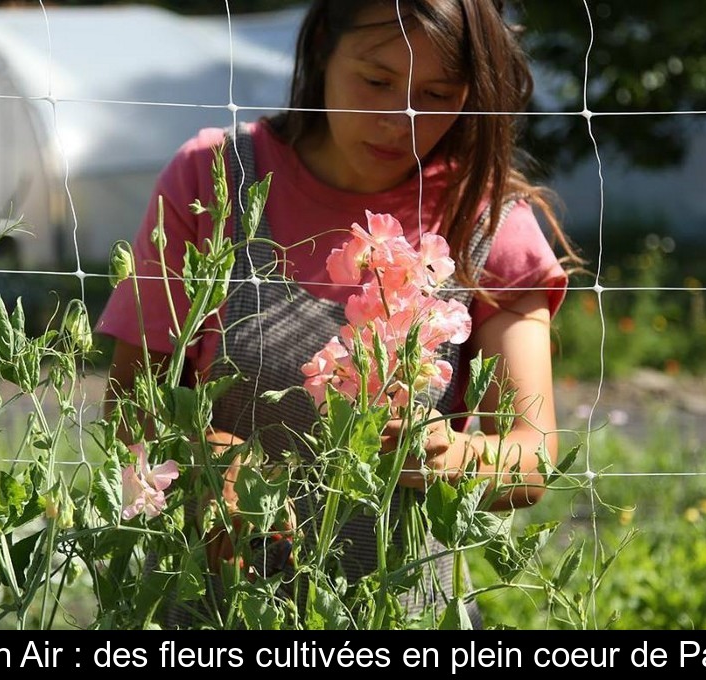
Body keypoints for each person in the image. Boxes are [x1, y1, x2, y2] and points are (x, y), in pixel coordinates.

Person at [96, 0, 581, 628]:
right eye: (376, 81)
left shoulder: (488, 223)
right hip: (217, 612)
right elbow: (130, 407)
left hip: (401, 619)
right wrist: (204, 456)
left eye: (437, 94)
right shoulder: (217, 179)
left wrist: (444, 454)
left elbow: (533, 460)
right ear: (323, 45)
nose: (401, 120)